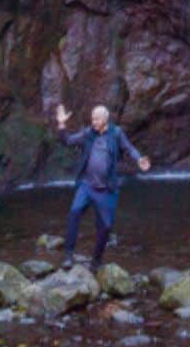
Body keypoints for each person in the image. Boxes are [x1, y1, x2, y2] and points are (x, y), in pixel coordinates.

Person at [54, 103, 151, 270]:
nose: (93, 122)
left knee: (105, 227)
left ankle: (96, 262)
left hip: (106, 189)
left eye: (96, 119)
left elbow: (129, 148)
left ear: (105, 119)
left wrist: (139, 159)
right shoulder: (87, 133)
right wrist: (61, 124)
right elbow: (67, 141)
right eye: (92, 119)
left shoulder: (116, 133)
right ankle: (68, 256)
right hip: (86, 185)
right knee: (74, 212)